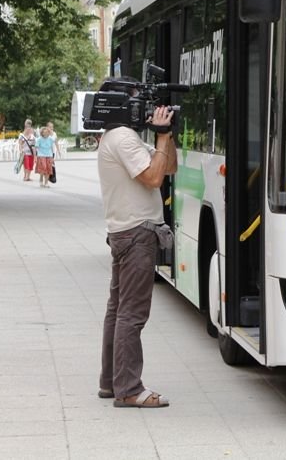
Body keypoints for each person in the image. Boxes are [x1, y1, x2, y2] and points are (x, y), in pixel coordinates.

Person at [96, 80, 177, 408]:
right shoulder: (124, 139)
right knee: (132, 314)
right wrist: (159, 136)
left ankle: (110, 382)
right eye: (136, 102)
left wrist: (166, 135)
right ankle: (129, 389)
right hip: (136, 236)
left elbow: (167, 167)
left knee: (117, 311)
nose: (141, 108)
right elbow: (154, 179)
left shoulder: (117, 137)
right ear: (119, 105)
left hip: (126, 233)